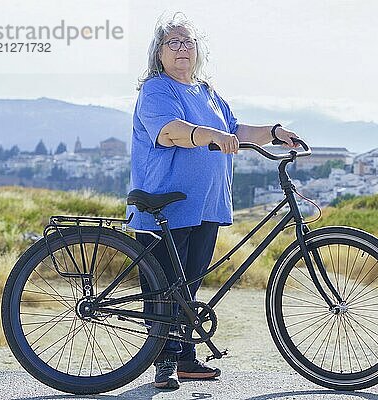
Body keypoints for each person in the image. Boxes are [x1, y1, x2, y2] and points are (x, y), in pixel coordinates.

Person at [127, 12, 300, 390]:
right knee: (165, 288)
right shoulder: (156, 90)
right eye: (172, 42)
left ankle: (186, 359)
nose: (181, 48)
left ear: (197, 50)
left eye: (187, 41)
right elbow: (171, 132)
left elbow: (235, 129)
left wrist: (273, 132)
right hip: (165, 204)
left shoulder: (206, 91)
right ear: (158, 54)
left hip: (206, 204)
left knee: (188, 288)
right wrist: (209, 135)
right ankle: (163, 364)